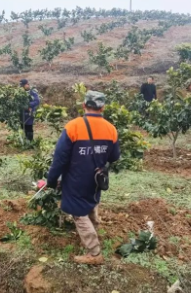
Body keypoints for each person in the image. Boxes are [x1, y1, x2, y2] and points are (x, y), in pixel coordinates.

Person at [47, 91, 120, 265]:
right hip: (96, 178)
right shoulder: (111, 129)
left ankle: (94, 254)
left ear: (84, 106)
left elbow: (60, 158)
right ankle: (93, 228)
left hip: (75, 179)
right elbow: (114, 157)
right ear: (102, 108)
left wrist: (51, 180)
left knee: (78, 213)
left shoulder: (73, 127)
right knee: (92, 201)